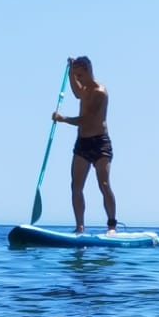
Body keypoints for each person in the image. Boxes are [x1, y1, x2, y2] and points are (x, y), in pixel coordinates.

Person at [52, 55, 119, 234]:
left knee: (104, 184)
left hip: (100, 144)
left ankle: (112, 226)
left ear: (88, 71)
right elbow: (76, 92)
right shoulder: (84, 89)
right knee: (76, 186)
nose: (78, 79)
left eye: (80, 75)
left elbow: (87, 120)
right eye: (76, 76)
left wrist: (63, 119)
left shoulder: (99, 92)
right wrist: (69, 73)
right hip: (82, 143)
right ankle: (79, 227)